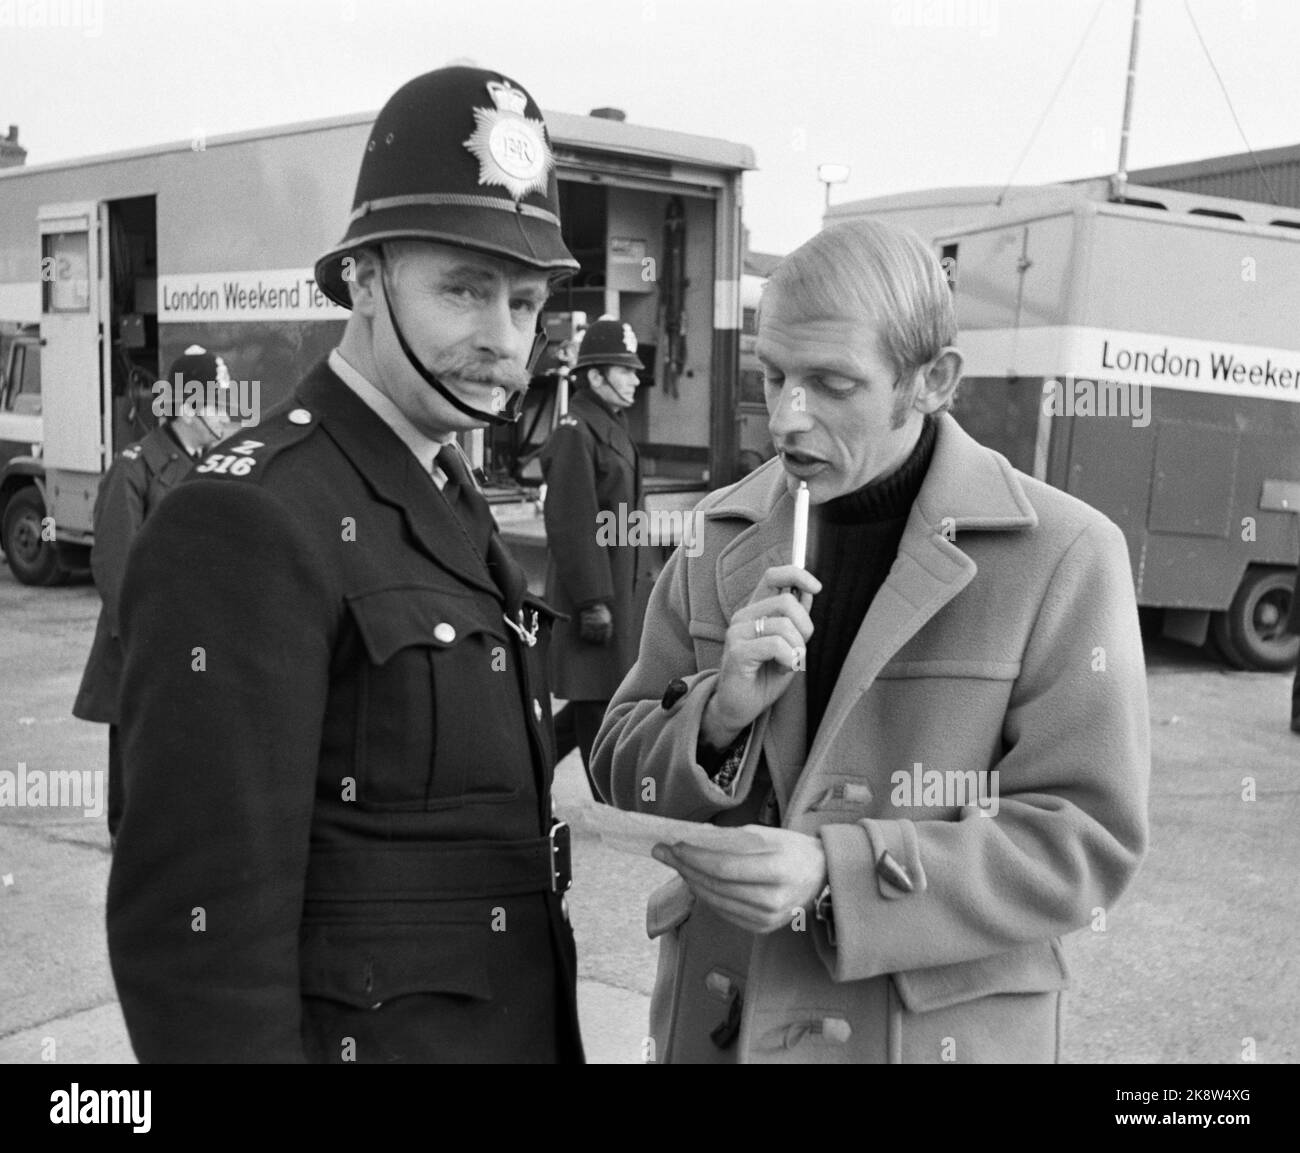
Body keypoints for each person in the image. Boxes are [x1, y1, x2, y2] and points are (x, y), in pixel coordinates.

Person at [106, 67, 584, 1064]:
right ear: (362, 278)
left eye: (526, 301)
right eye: (463, 288)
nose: (503, 340)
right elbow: (196, 948)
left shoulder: (440, 492)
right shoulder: (249, 519)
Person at [591, 219, 1150, 1064]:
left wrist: (835, 874)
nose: (787, 417)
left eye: (831, 382)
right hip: (720, 1025)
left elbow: (1082, 841)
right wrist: (717, 715)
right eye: (773, 375)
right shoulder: (718, 533)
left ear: (931, 381)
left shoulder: (1063, 553)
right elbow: (616, 768)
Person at [72, 346, 237, 841]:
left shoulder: (211, 466)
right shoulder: (134, 470)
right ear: (187, 408)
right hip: (147, 658)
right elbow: (116, 573)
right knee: (138, 811)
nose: (226, 413)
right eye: (217, 403)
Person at [541, 318, 644, 793]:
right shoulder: (574, 430)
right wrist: (592, 601)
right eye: (625, 370)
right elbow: (571, 520)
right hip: (593, 591)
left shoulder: (609, 425)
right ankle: (605, 799)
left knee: (594, 695)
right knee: (594, 699)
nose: (636, 379)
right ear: (596, 376)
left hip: (616, 585)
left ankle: (516, 777)